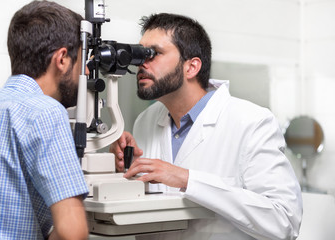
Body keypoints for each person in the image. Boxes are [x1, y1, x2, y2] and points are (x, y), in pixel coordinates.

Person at [110, 13, 303, 240]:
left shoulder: (251, 121)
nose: (141, 62)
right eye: (140, 53)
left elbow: (284, 222)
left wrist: (188, 180)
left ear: (191, 67)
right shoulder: (146, 121)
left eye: (154, 53)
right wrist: (122, 172)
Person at [0, 1, 89, 239]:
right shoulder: (46, 112)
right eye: (82, 62)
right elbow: (72, 233)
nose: (86, 73)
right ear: (62, 59)